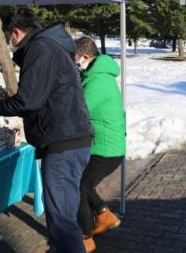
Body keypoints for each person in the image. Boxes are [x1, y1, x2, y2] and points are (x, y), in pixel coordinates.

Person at [0, 8, 93, 253]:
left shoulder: (41, 48)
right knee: (62, 215)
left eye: (8, 38)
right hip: (67, 139)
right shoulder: (50, 46)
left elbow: (28, 100)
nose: (9, 44)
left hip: (64, 141)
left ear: (16, 32)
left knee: (63, 221)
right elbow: (39, 96)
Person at [73, 37, 125, 252]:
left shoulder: (98, 81)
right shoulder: (94, 75)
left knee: (79, 187)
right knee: (82, 184)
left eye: (74, 59)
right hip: (103, 145)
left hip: (107, 148)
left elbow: (78, 110)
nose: (73, 63)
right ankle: (105, 215)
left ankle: (85, 237)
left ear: (86, 57)